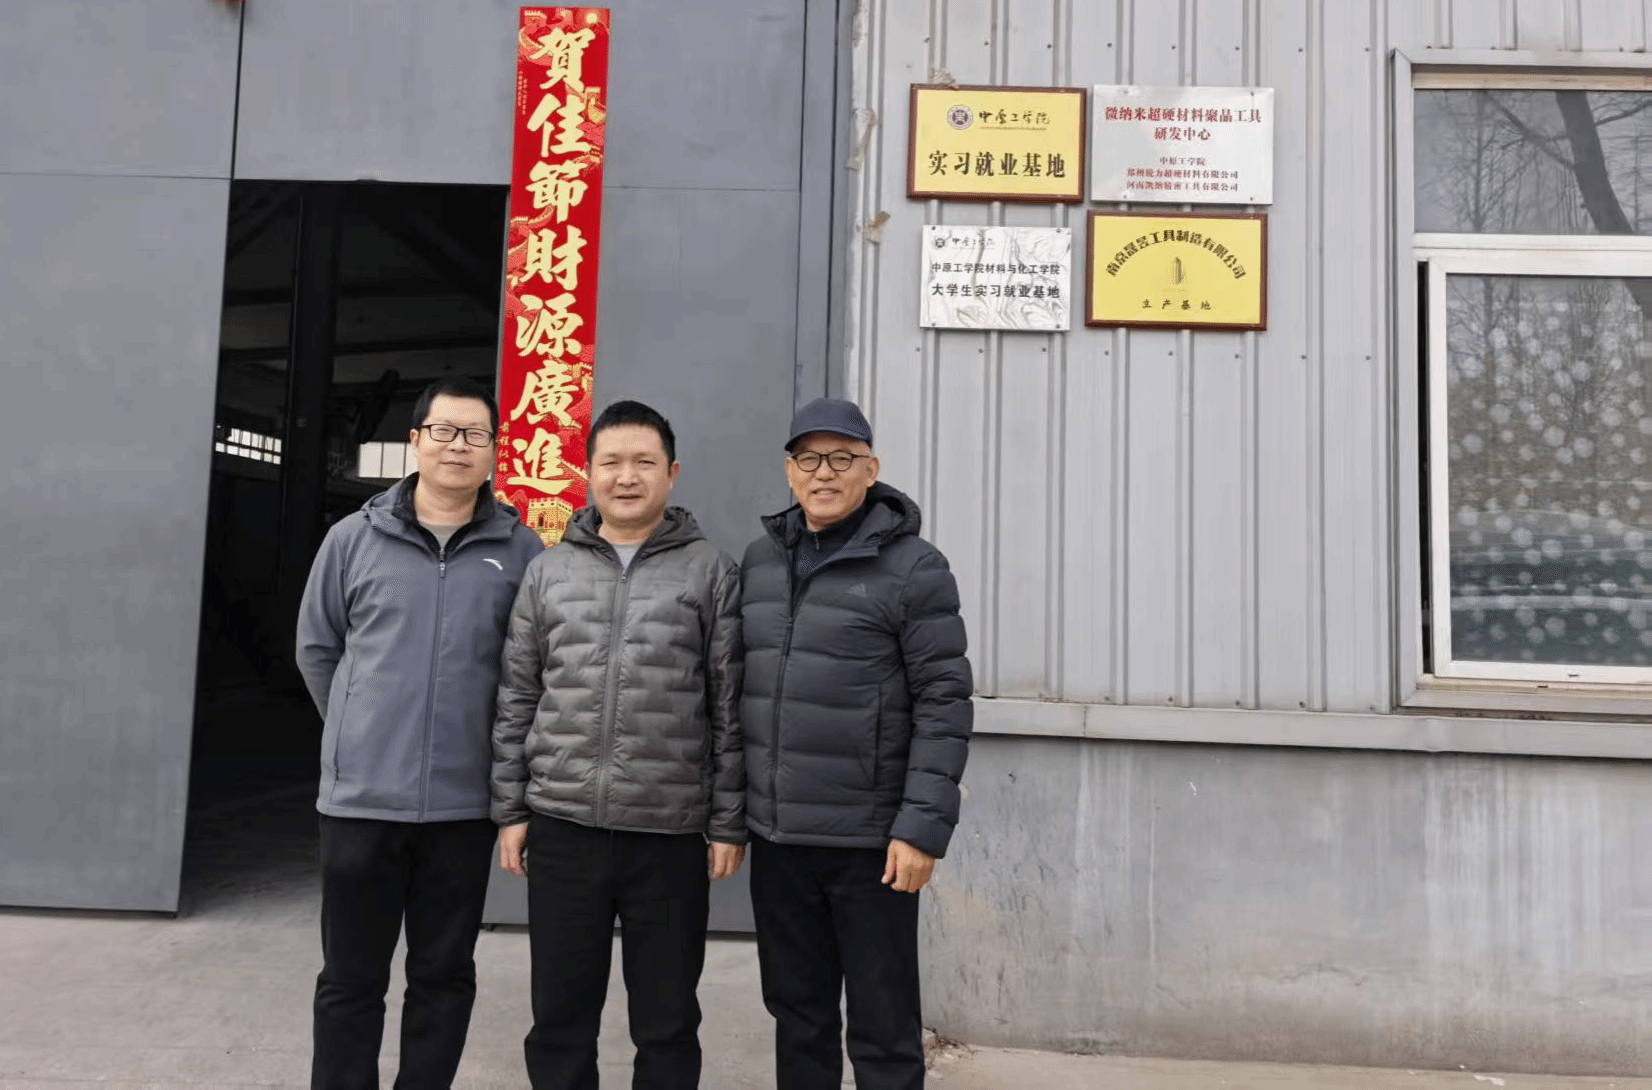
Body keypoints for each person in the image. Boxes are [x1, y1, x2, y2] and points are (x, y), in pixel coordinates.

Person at [296, 376, 545, 1090]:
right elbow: (318, 649)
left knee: (443, 975)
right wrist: (359, 731)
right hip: (360, 805)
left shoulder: (521, 550)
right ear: (415, 441)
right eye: (443, 431)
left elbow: (530, 670)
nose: (458, 446)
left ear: (494, 450)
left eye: (475, 434)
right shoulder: (352, 539)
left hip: (463, 808)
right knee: (350, 978)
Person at [492, 399, 745, 1090]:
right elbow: (517, 695)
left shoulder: (710, 571)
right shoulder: (549, 570)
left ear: (672, 473)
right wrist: (511, 810)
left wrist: (727, 822)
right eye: (610, 462)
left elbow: (727, 704)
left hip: (668, 833)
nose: (626, 477)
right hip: (563, 824)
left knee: (667, 1020)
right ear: (588, 471)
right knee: (560, 1016)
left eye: (643, 462)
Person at [740, 396, 973, 1090]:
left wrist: (921, 828)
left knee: (883, 1024)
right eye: (809, 458)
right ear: (789, 471)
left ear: (871, 470)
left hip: (871, 845)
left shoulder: (914, 568)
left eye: (843, 458)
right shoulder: (761, 561)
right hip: (779, 839)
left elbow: (944, 702)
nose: (824, 472)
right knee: (797, 1017)